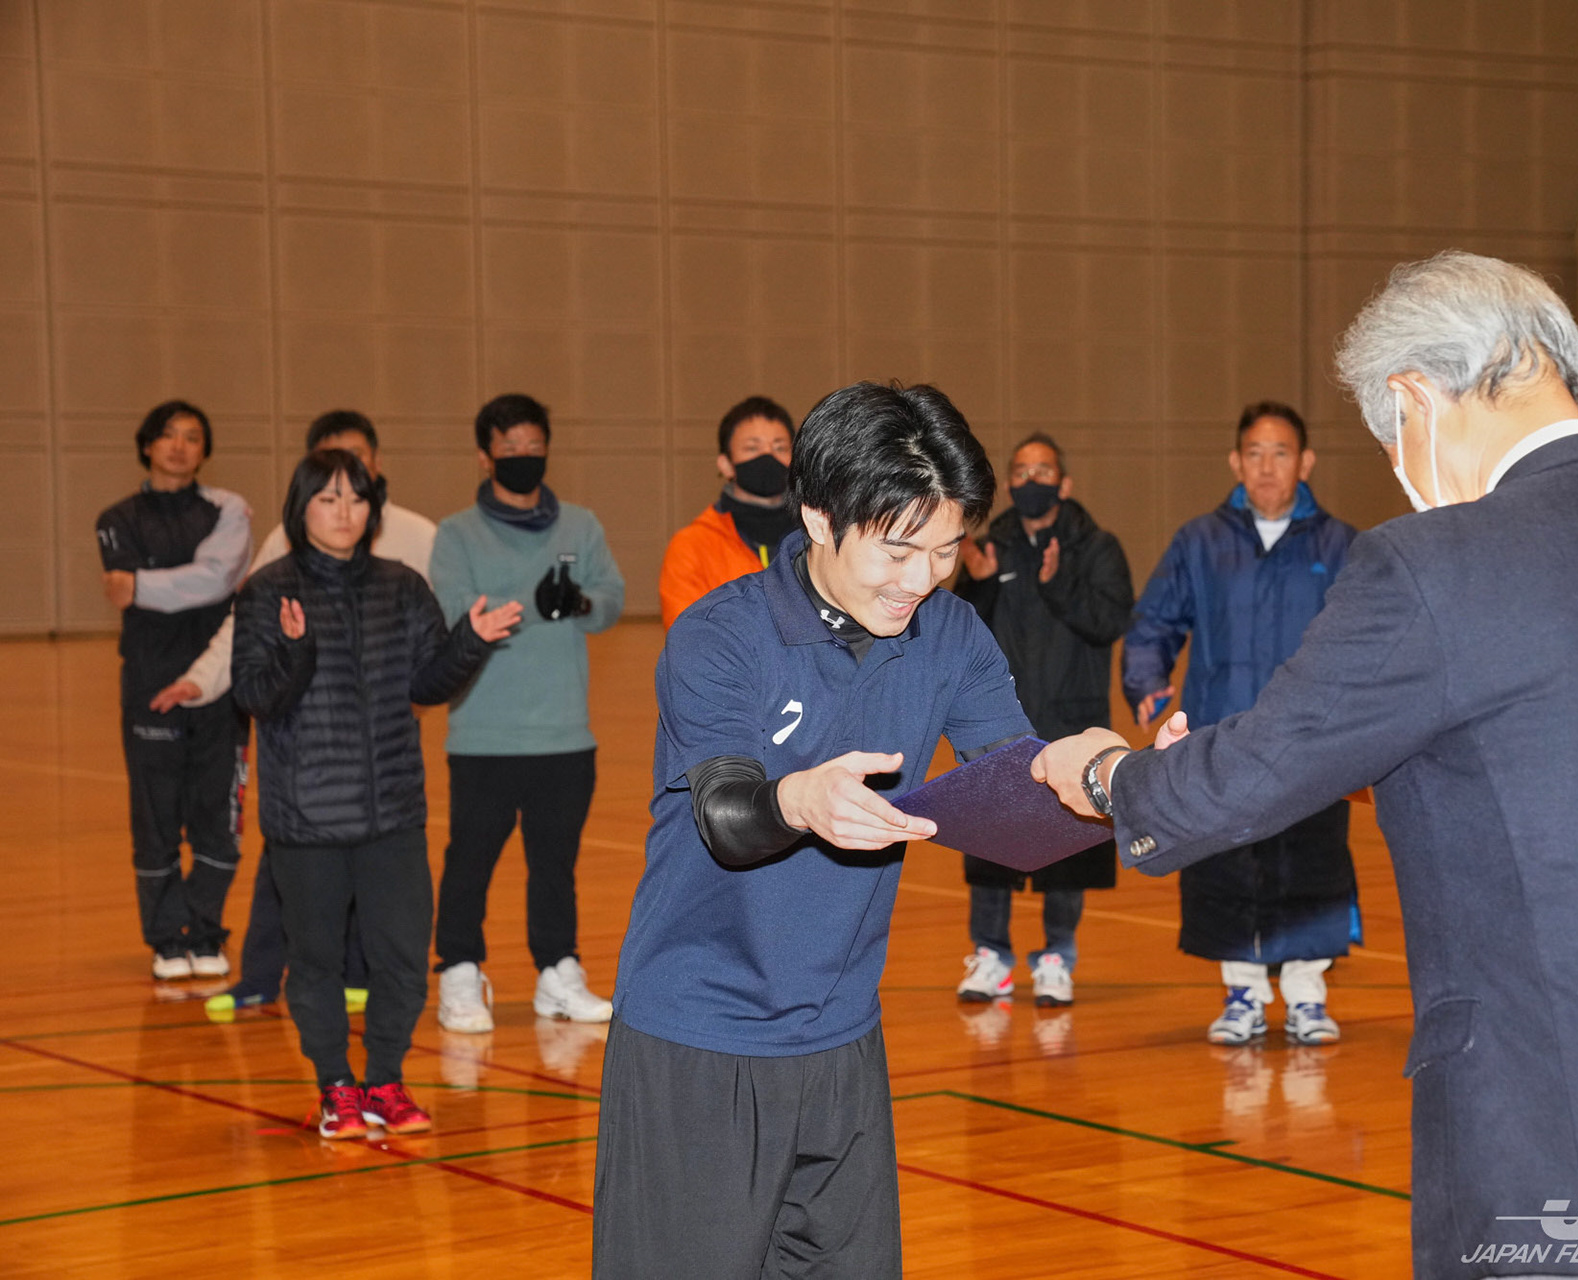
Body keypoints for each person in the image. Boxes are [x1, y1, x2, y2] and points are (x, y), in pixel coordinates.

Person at [1035, 251, 1578, 1280]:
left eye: (1391, 436)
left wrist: (1109, 775)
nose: (1401, 465)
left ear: (1415, 396)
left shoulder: (1433, 565)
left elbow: (1254, 772)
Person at [593, 382, 1030, 1279]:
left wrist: (1119, 781)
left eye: (945, 551)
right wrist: (798, 800)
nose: (921, 581)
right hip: (701, 1039)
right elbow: (726, 816)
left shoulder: (951, 634)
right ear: (821, 517)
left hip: (842, 1041)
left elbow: (1017, 792)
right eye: (898, 550)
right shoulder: (720, 635)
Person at [232, 450, 519, 1139]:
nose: (345, 513)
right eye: (329, 499)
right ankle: (335, 1086)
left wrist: (469, 642)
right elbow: (256, 697)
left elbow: (425, 685)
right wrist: (296, 651)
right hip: (307, 818)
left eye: (357, 499)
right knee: (316, 962)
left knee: (402, 958)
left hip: (392, 811)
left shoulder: (402, 586)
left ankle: (385, 1080)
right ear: (301, 507)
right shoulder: (269, 590)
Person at [171, 411, 438, 1017]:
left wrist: (417, 690)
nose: (344, 493)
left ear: (376, 464)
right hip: (306, 752)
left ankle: (358, 978)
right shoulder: (287, 545)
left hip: (380, 744)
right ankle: (262, 976)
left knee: (375, 868)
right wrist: (200, 679)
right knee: (287, 868)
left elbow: (433, 638)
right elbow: (244, 628)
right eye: (328, 465)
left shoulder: (418, 537)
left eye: (357, 460)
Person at [1123, 401, 1357, 1046]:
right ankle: (1242, 993)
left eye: (1281, 453)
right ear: (1235, 462)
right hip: (1221, 735)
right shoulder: (1199, 541)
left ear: (1305, 462)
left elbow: (1371, 638)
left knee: (1310, 861)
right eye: (1255, 453)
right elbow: (1154, 621)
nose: (1267, 466)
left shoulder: (1342, 545)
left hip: (1312, 742)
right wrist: (1146, 681)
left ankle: (1307, 995)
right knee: (1225, 859)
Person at [431, 392, 626, 1033]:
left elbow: (612, 600)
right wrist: (530, 602)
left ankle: (557, 971)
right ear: (485, 456)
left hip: (564, 734)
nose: (523, 456)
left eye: (533, 446)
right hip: (484, 735)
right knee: (470, 863)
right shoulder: (456, 534)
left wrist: (579, 603)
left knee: (555, 867)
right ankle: (459, 972)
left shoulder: (581, 525)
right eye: (509, 447)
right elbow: (455, 611)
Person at [951, 432, 1133, 1007]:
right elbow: (962, 630)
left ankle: (1057, 956)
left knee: (1068, 846)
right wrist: (979, 582)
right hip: (1000, 724)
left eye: (1043, 471)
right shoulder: (990, 546)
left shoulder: (1097, 547)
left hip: (1072, 720)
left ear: (1065, 483)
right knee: (991, 842)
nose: (1032, 481)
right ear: (1009, 484)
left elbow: (1110, 621)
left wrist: (1060, 586)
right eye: (1021, 472)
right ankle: (991, 956)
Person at [96, 400, 252, 980]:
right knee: (155, 818)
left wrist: (142, 585)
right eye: (168, 435)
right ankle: (166, 939)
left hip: (221, 683)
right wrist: (175, 583)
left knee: (218, 814)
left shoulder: (227, 509)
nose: (180, 446)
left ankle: (206, 931)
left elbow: (216, 579)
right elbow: (163, 585)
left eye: (192, 437)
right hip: (149, 683)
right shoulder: (117, 517)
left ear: (205, 450)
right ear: (147, 445)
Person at [658, 395, 797, 627]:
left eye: (780, 447)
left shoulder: (820, 537)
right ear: (726, 465)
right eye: (752, 448)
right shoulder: (690, 547)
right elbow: (689, 635)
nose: (768, 457)